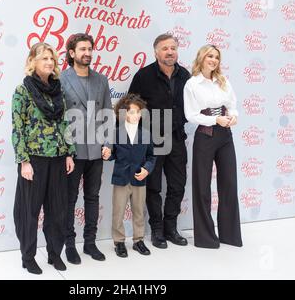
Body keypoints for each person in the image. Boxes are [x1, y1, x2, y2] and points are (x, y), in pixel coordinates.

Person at [12, 42, 76, 274]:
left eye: (52, 58)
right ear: (33, 62)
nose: (49, 62)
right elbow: (17, 127)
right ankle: (28, 256)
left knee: (57, 210)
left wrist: (69, 152)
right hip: (34, 160)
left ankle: (54, 253)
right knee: (29, 211)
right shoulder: (23, 91)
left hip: (58, 158)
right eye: (44, 58)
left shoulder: (58, 90)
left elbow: (65, 123)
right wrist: (24, 161)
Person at [128, 33, 190, 248]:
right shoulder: (144, 76)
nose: (170, 52)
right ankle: (156, 230)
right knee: (153, 187)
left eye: (173, 48)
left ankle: (170, 228)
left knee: (178, 185)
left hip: (177, 138)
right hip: (153, 139)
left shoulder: (185, 75)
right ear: (156, 52)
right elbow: (131, 106)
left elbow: (192, 105)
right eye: (165, 48)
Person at [60, 33, 113, 264]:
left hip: (96, 150)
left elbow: (108, 114)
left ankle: (90, 243)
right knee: (69, 199)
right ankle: (69, 245)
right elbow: (58, 117)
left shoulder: (101, 80)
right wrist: (64, 150)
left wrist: (108, 143)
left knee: (92, 197)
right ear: (72, 53)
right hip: (72, 150)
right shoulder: (61, 79)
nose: (87, 53)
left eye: (90, 49)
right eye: (82, 49)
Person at [183, 44, 243, 249]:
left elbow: (233, 105)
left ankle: (229, 235)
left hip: (226, 136)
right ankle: (206, 238)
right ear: (201, 58)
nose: (214, 60)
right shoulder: (192, 84)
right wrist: (216, 120)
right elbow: (191, 115)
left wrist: (233, 117)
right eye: (210, 56)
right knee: (202, 187)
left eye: (216, 57)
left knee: (229, 184)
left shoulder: (223, 80)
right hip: (206, 136)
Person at [104, 93, 156, 258]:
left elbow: (151, 156)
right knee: (118, 211)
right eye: (131, 112)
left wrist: (147, 169)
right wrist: (107, 154)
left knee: (139, 211)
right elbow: (113, 154)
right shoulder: (115, 132)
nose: (135, 116)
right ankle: (119, 242)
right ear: (123, 113)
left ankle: (138, 240)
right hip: (121, 178)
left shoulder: (146, 134)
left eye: (138, 112)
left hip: (139, 179)